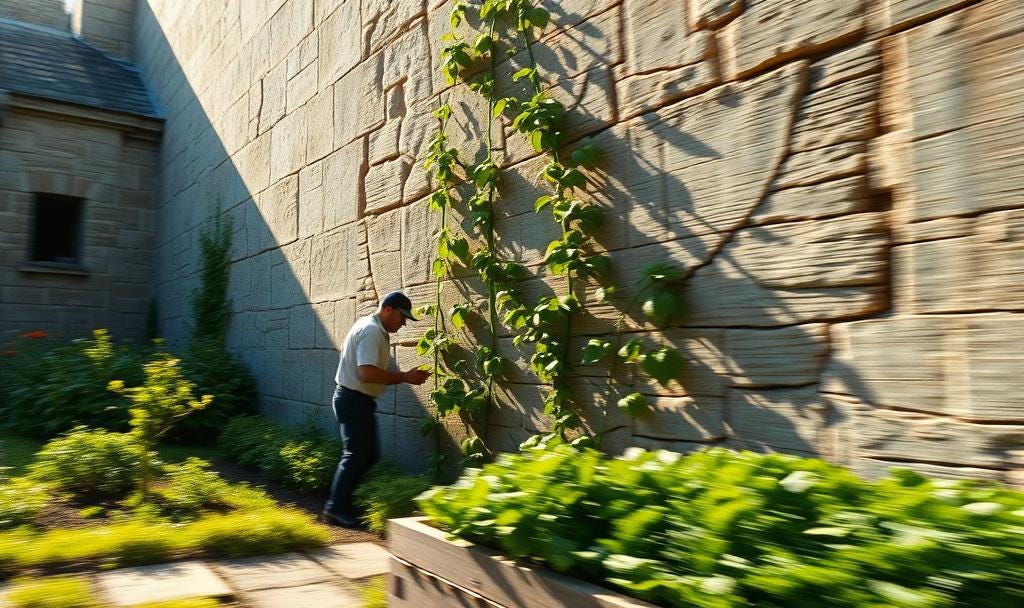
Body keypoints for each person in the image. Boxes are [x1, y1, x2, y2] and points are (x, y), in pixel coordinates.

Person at [321, 291, 429, 528]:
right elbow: (367, 372)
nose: (403, 324)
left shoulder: (373, 327)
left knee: (368, 455)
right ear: (388, 309)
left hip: (357, 400)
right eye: (403, 318)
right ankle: (334, 508)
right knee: (355, 455)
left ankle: (341, 503)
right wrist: (404, 377)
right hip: (353, 400)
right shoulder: (371, 331)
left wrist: (403, 376)